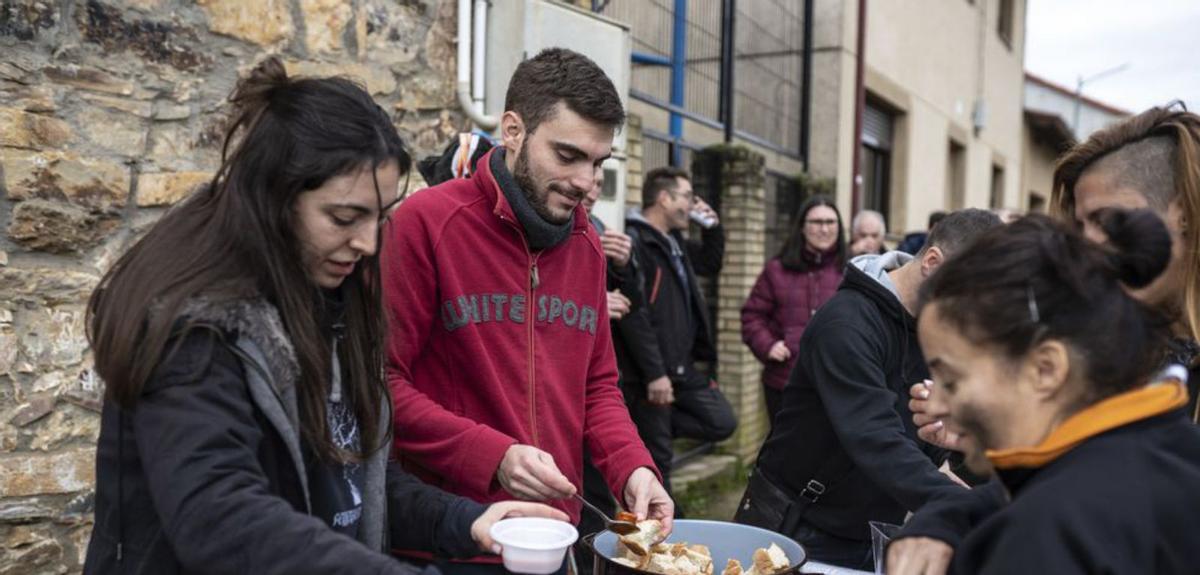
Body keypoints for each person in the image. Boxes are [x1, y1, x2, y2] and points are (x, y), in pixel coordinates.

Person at [82, 58, 562, 574]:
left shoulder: (326, 297)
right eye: (344, 217)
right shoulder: (193, 327)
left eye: (379, 217)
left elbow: (351, 482)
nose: (368, 242)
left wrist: (467, 521)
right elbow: (224, 520)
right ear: (275, 197)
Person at [382, 48, 672, 572]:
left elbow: (597, 388)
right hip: (449, 539)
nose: (588, 183)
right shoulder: (426, 223)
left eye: (599, 162)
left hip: (553, 540)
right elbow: (381, 383)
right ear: (513, 130)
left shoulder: (587, 244)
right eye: (568, 156)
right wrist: (493, 456)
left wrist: (633, 468)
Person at [893, 103, 1200, 575]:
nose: (1087, 247)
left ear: (1181, 208)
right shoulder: (1128, 346)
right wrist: (948, 513)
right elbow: (1073, 475)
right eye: (1078, 227)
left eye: (1105, 220)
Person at [734, 209, 1001, 571]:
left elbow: (935, 439)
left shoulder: (936, 327)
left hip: (871, 527)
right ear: (933, 263)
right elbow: (875, 437)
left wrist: (958, 451)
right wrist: (973, 510)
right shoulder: (846, 324)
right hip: (798, 529)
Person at [620, 166, 738, 498]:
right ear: (664, 198)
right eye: (687, 196)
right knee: (660, 464)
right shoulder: (637, 241)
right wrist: (655, 373)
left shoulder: (674, 242)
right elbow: (635, 314)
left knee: (721, 421)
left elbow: (711, 263)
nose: (692, 204)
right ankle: (663, 535)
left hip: (682, 368)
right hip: (653, 372)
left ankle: (641, 432)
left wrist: (713, 228)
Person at [742, 195, 846, 424]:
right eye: (816, 222)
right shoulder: (776, 270)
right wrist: (767, 344)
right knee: (785, 456)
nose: (824, 229)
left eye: (830, 222)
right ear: (802, 227)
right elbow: (752, 316)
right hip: (784, 381)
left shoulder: (852, 271)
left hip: (838, 382)